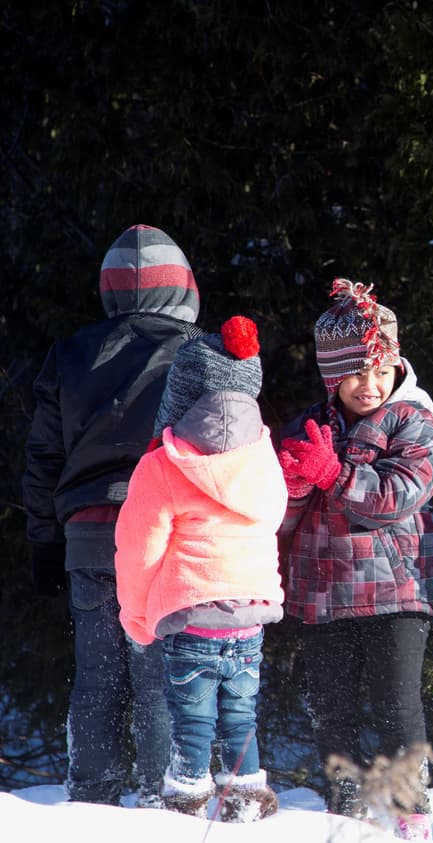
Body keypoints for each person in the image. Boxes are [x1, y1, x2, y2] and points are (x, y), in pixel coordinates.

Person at [22, 224, 203, 808]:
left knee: (98, 676)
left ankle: (90, 797)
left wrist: (45, 542)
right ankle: (159, 800)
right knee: (157, 679)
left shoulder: (69, 354)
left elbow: (44, 458)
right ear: (184, 287)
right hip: (165, 535)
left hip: (89, 538)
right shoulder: (198, 353)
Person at [277, 278, 433, 842]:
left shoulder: (414, 420)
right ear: (332, 375)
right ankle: (342, 816)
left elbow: (400, 494)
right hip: (323, 592)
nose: (371, 385)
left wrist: (334, 474)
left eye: (381, 369)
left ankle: (410, 816)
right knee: (331, 709)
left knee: (397, 707)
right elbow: (280, 516)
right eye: (356, 373)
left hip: (396, 588)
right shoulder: (312, 422)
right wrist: (296, 483)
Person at [114, 315, 286, 821]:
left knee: (192, 720)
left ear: (181, 394)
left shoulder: (164, 463)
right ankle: (248, 796)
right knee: (240, 714)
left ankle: (187, 799)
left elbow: (138, 547)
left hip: (192, 616)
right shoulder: (262, 456)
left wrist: (137, 616)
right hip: (251, 614)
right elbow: (272, 516)